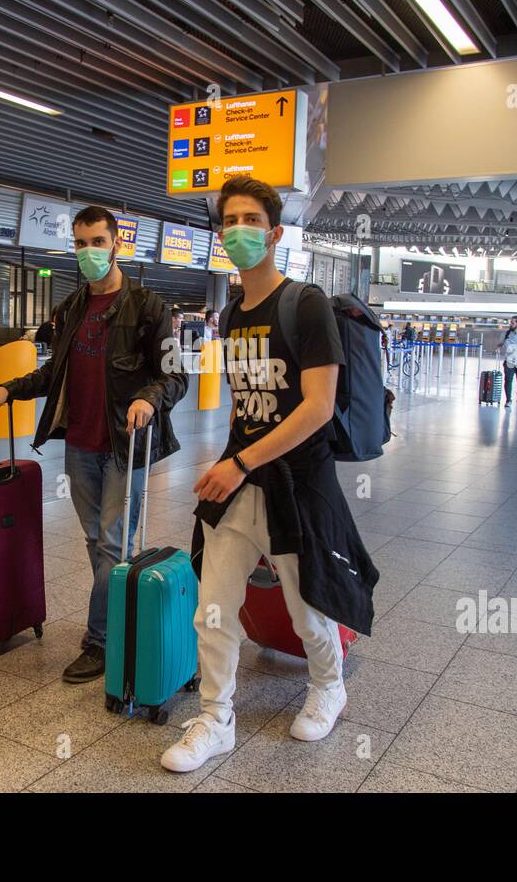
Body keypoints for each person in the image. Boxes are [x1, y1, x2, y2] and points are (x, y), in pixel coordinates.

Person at [160, 176, 377, 773]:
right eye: (229, 220)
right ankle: (215, 716)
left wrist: (242, 461)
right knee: (214, 606)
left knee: (306, 605)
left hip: (296, 483)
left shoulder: (305, 304)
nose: (237, 231)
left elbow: (317, 406)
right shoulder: (231, 315)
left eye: (251, 220)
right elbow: (244, 399)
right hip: (240, 483)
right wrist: (227, 462)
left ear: (275, 232)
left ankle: (329, 685)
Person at [0, 207, 186, 683]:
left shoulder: (153, 309)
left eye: (97, 242)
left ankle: (100, 642)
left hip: (125, 444)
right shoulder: (70, 308)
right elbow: (56, 373)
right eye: (80, 243)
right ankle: (122, 619)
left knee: (112, 542)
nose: (88, 252)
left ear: (117, 245)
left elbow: (176, 376)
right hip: (80, 444)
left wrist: (148, 398)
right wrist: (11, 388)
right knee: (96, 541)